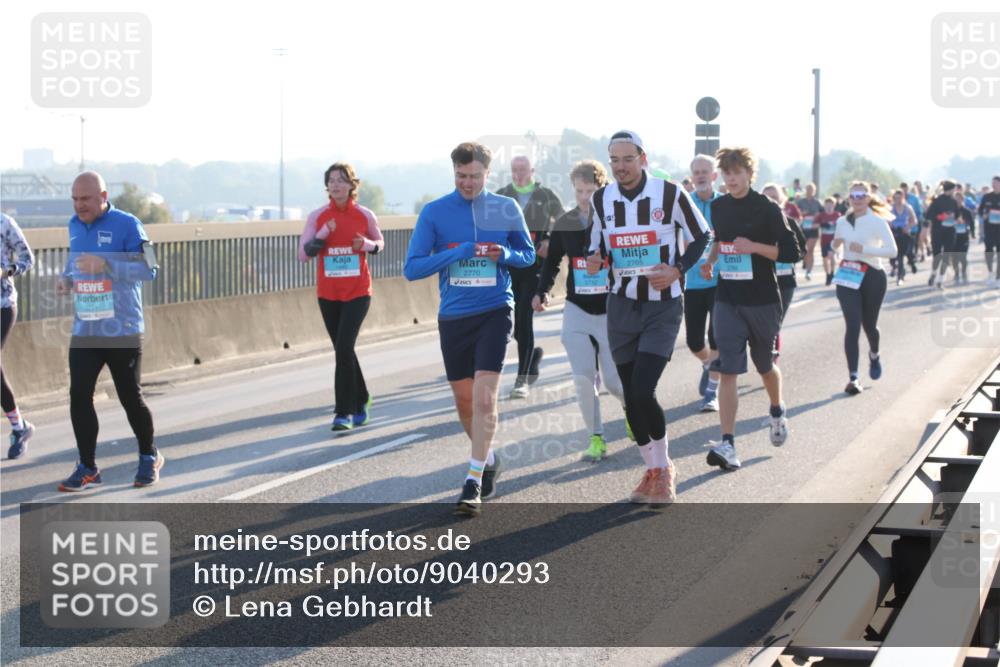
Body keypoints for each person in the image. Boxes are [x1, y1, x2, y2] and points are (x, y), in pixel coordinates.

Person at [403, 142, 534, 516]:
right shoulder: (435, 212)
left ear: (488, 174)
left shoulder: (506, 208)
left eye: (475, 176)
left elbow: (526, 255)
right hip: (454, 316)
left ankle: (473, 479)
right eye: (461, 176)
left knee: (484, 400)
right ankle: (488, 458)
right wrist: (455, 253)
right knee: (464, 402)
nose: (468, 183)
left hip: (495, 310)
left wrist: (504, 255)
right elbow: (412, 268)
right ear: (454, 173)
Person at [585, 130, 711, 504]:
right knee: (630, 396)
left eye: (628, 159)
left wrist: (677, 270)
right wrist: (594, 261)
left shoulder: (669, 193)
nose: (621, 167)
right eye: (615, 160)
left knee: (643, 389)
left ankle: (665, 468)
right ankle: (652, 469)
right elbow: (595, 247)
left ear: (643, 158)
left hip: (662, 305)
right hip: (621, 305)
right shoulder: (601, 199)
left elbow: (702, 236)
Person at [56, 172, 161, 490]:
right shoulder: (74, 225)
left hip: (122, 328)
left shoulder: (129, 224)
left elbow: (151, 269)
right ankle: (87, 467)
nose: (79, 205)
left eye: (85, 199)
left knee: (130, 397)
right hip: (86, 327)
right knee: (79, 396)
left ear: (103, 197)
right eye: (74, 199)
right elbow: (77, 262)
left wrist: (107, 265)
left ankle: (148, 455)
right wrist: (67, 279)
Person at [700, 147, 800, 472]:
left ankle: (777, 409)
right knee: (727, 368)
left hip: (762, 300)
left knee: (764, 365)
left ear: (749, 174)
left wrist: (754, 247)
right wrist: (710, 261)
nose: (731, 179)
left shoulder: (767, 208)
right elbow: (720, 241)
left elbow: (792, 251)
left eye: (737, 173)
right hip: (727, 297)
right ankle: (728, 444)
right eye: (726, 173)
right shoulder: (718, 206)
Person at [533, 160, 629, 461]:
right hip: (577, 309)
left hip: (610, 309)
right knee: (584, 379)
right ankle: (596, 438)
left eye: (590, 191)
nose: (585, 197)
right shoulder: (566, 222)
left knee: (614, 381)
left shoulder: (616, 219)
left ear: (602, 189)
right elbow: (552, 262)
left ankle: (632, 410)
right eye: (579, 191)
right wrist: (542, 291)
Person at [298, 162, 384, 431]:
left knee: (344, 347)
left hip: (358, 292)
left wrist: (367, 245)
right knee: (343, 350)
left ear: (351, 185)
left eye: (341, 180)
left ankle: (343, 413)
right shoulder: (318, 217)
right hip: (329, 294)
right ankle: (362, 399)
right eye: (332, 180)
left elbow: (380, 243)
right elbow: (303, 255)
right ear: (327, 186)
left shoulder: (365, 215)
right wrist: (323, 234)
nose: (336, 185)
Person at [496, 156, 564, 399]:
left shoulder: (545, 195)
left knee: (524, 320)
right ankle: (532, 356)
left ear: (532, 170)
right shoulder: (502, 195)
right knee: (514, 327)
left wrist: (550, 240)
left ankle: (521, 380)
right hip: (508, 266)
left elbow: (564, 221)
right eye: (514, 169)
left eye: (523, 169)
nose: (519, 174)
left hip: (535, 266)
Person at [832, 182, 897, 395]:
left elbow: (892, 251)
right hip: (848, 275)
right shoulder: (842, 221)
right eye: (854, 195)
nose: (857, 199)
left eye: (862, 195)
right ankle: (853, 377)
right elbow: (834, 246)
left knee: (869, 326)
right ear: (848, 198)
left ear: (869, 198)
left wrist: (865, 249)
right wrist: (835, 244)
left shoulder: (877, 221)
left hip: (872, 276)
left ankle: (874, 354)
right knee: (852, 325)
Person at [684, 154, 723, 413]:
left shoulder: (724, 204)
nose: (700, 176)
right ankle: (709, 364)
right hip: (693, 282)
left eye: (704, 172)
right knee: (694, 341)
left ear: (714, 176)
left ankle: (711, 392)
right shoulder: (686, 203)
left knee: (716, 337)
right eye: (696, 172)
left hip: (721, 281)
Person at [1, 213, 35, 459]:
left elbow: (28, 259)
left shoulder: (5, 223)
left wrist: (7, 271)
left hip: (3, 305)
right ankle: (20, 427)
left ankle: (19, 427)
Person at [762, 184, 806, 362]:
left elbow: (802, 251)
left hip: (785, 281)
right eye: (766, 198)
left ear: (782, 200)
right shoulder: (754, 225)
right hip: (761, 281)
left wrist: (783, 253)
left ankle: (772, 359)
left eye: (774, 197)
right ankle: (766, 355)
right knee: (763, 324)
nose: (770, 201)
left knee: (775, 323)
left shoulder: (790, 223)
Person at [925, 180, 963, 289]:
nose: (955, 191)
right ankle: (933, 273)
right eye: (954, 189)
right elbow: (928, 215)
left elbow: (957, 215)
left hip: (950, 231)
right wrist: (940, 217)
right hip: (937, 231)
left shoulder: (954, 201)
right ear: (949, 189)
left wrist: (958, 219)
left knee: (947, 255)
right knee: (937, 256)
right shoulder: (937, 200)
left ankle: (941, 279)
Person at [888, 189, 918, 286]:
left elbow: (914, 220)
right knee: (894, 256)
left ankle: (909, 266)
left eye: (900, 198)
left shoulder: (908, 207)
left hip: (905, 233)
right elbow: (887, 220)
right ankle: (897, 270)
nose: (898, 200)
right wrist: (890, 225)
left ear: (903, 198)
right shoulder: (891, 208)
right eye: (896, 198)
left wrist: (908, 227)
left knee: (907, 253)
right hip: (895, 234)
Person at [795, 183, 823, 280]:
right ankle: (805, 261)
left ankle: (808, 272)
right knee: (804, 249)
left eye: (811, 190)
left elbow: (823, 215)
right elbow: (795, 214)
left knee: (810, 250)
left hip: (813, 228)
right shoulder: (800, 202)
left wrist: (818, 219)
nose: (809, 191)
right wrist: (802, 214)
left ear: (814, 191)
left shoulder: (817, 202)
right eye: (808, 189)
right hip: (803, 228)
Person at [978, 176, 1000, 287]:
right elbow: (980, 210)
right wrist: (984, 215)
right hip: (989, 229)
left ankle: (998, 277)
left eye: (995, 183)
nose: (993, 185)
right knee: (988, 252)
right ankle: (990, 274)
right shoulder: (986, 197)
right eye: (992, 183)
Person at [951, 188, 976, 285]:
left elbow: (972, 223)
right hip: (953, 237)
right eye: (955, 199)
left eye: (959, 199)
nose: (957, 201)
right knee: (954, 257)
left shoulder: (967, 211)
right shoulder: (951, 211)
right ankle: (956, 273)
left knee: (963, 256)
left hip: (964, 236)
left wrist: (972, 233)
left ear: (962, 199)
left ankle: (964, 272)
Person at [816, 197, 841, 285]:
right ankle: (827, 274)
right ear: (824, 205)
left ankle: (832, 273)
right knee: (825, 258)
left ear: (834, 205)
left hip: (834, 240)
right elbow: (813, 225)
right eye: (827, 205)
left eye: (831, 204)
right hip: (824, 240)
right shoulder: (821, 215)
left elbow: (842, 226)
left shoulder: (837, 215)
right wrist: (822, 224)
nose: (829, 206)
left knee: (831, 256)